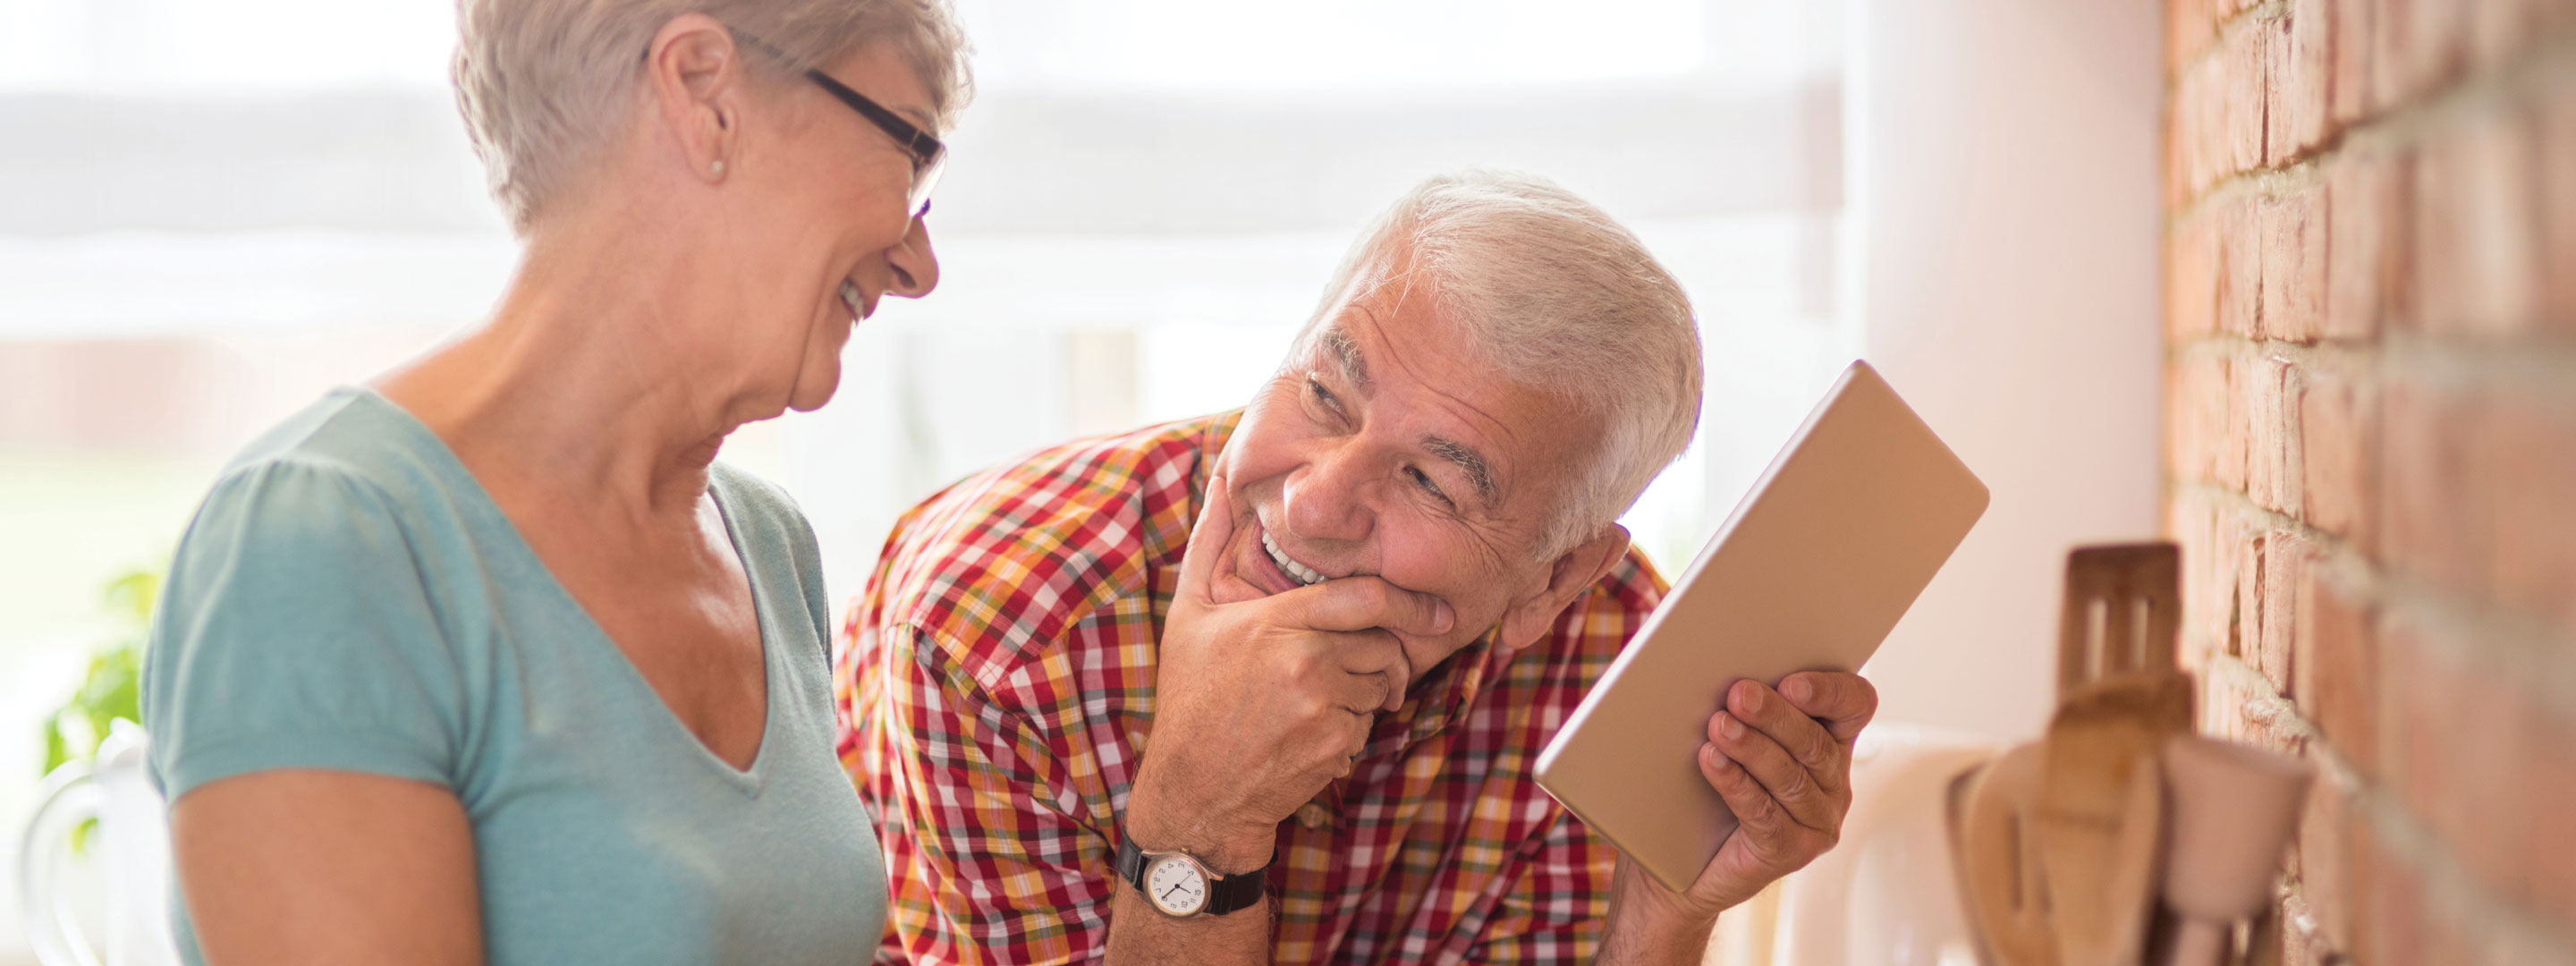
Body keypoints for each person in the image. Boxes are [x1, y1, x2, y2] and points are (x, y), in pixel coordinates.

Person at [836, 169, 1880, 965]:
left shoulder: (1605, 654)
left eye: (1433, 481)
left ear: (1551, 582)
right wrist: (1198, 822)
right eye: (1327, 396)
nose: (1313, 501)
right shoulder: (997, 632)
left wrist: (1668, 911)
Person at [140, 2, 968, 962]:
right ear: (704, 92)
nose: (920, 264)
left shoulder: (769, 546)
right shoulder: (330, 540)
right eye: (909, 152)